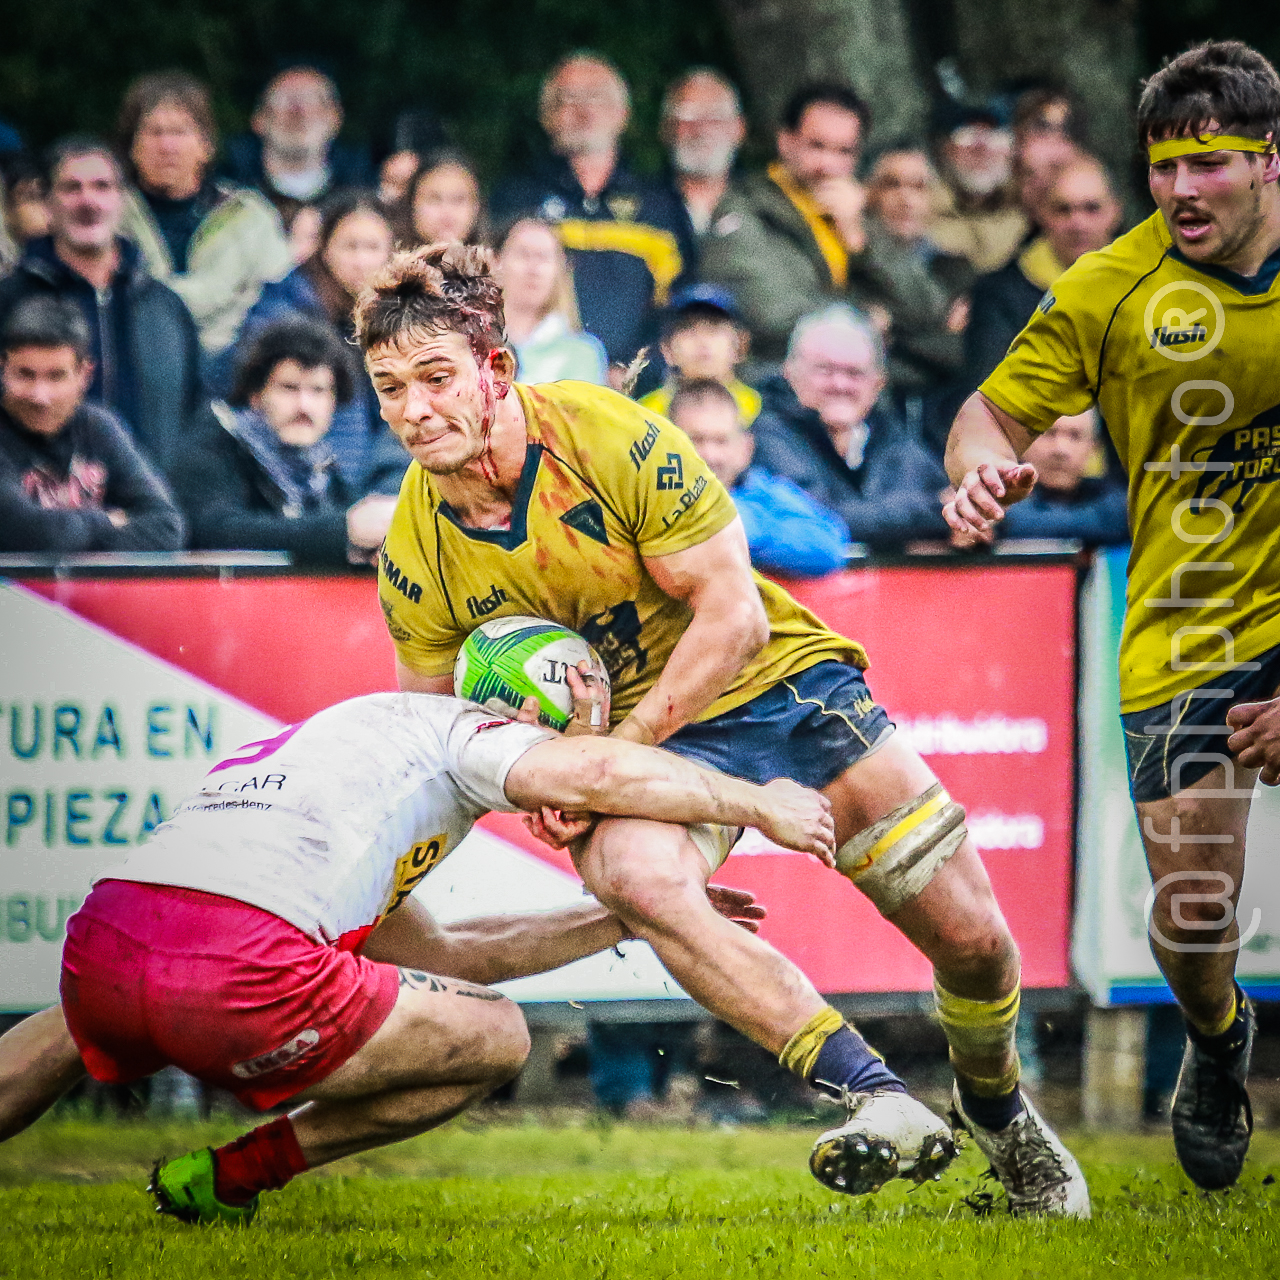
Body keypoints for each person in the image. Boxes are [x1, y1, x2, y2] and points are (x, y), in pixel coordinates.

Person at [362, 243, 1089, 1215]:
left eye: (436, 377)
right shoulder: (414, 548)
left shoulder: (608, 435)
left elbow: (735, 616)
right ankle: (874, 1095)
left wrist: (606, 757)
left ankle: (995, 1109)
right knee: (632, 877)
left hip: (773, 683)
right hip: (647, 744)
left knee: (974, 942)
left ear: (496, 369)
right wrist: (529, 779)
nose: (414, 408)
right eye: (390, 388)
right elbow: (437, 733)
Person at [0, 680, 818, 1223]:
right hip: (239, 974)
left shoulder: (349, 745)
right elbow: (602, 774)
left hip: (105, 944)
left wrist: (620, 918)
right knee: (499, 1036)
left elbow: (446, 954)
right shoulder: (471, 734)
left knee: (82, 1017)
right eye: (571, 729)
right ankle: (235, 1175)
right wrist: (759, 804)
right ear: (524, 715)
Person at [943, 39, 1280, 1195]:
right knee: (1191, 918)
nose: (1180, 189)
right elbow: (986, 416)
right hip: (1190, 624)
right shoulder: (1107, 288)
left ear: (1269, 158)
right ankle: (1216, 1035)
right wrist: (977, 475)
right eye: (1161, 166)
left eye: (1208, 163)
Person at [0, 139, 203, 478]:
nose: (88, 201)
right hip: (36, 505)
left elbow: (194, 416)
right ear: (48, 203)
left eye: (102, 187)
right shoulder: (9, 301)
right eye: (71, 188)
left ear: (123, 200)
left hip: (152, 503)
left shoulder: (165, 307)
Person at [490, 52, 691, 369]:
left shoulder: (660, 203)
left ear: (623, 113)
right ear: (547, 116)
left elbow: (680, 301)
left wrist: (636, 367)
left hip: (640, 381)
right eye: (569, 99)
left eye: (596, 98)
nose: (584, 111)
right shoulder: (516, 198)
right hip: (534, 375)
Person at [174, 318, 395, 565]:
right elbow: (214, 533)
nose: (304, 406)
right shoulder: (213, 448)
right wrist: (345, 531)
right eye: (289, 388)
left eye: (318, 390)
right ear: (255, 395)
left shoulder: (322, 468)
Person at [233, 191, 403, 493]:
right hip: (287, 480)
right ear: (324, 248)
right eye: (350, 246)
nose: (361, 261)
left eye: (372, 247)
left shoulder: (390, 318)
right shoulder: (281, 312)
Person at [116, 72, 292, 358]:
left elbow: (280, 300)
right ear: (132, 147)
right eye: (154, 132)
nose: (167, 146)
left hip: (238, 363)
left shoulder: (250, 216)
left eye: (179, 132)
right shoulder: (109, 217)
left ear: (206, 146)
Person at [751, 306, 950, 551]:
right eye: (825, 370)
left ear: (879, 382)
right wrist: (935, 516)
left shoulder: (893, 437)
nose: (840, 384)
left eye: (855, 373)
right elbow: (816, 519)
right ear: (789, 372)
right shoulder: (765, 437)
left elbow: (955, 505)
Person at [699, 82, 872, 363]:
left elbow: (926, 309)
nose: (828, 165)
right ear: (785, 141)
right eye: (817, 146)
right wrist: (864, 317)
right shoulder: (743, 207)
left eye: (844, 151)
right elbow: (768, 313)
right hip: (775, 374)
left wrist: (860, 242)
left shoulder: (856, 208)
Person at [0, 295, 184, 552]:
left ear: (84, 375)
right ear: (3, 369)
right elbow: (28, 533)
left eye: (56, 377)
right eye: (25, 375)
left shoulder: (99, 427)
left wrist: (72, 536)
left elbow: (167, 526)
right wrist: (108, 521)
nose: (40, 396)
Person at [965, 157, 1123, 392]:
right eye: (1063, 210)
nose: (1077, 223)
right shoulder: (997, 295)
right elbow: (989, 389)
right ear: (1042, 213)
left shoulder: (1150, 282)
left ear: (1115, 211)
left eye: (1091, 208)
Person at [669, 377, 850, 577]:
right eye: (696, 440)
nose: (710, 455)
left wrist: (745, 523)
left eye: (721, 441)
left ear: (745, 448)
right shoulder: (650, 499)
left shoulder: (766, 493)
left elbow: (831, 547)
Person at [223, 66, 372, 233]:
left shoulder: (365, 198)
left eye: (312, 99)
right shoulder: (225, 197)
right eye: (284, 100)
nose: (299, 111)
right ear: (259, 118)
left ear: (335, 118)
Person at [495, 217, 607, 385]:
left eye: (544, 257)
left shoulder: (583, 353)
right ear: (496, 261)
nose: (534, 269)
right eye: (523, 254)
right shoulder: (471, 343)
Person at [638, 284, 760, 425]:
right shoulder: (645, 414)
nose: (702, 341)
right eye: (688, 329)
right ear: (667, 349)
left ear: (740, 346)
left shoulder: (762, 409)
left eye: (713, 329)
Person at [928, 104, 1029, 274]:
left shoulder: (1031, 214)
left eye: (996, 138)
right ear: (946, 149)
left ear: (1012, 153)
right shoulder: (919, 202)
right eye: (967, 136)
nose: (982, 148)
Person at [660, 68, 746, 239]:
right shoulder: (639, 208)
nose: (701, 130)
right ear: (666, 128)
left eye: (715, 117)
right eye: (688, 116)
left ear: (739, 128)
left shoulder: (766, 211)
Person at [394, 149, 486, 248]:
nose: (447, 213)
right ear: (412, 204)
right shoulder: (387, 255)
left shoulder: (495, 256)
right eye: (434, 200)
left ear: (476, 207)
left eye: (458, 200)